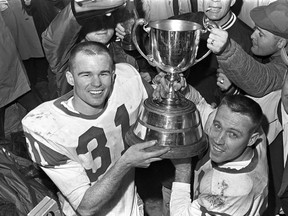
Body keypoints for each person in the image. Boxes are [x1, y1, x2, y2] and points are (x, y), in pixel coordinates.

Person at [21, 41, 189, 216]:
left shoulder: (127, 80)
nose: (96, 83)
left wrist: (166, 92)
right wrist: (125, 162)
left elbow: (154, 102)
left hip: (131, 206)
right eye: (86, 75)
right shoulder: (45, 126)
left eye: (103, 74)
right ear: (70, 78)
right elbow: (85, 207)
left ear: (114, 75)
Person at [116, 0, 253, 105]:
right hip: (172, 100)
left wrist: (231, 89)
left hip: (209, 112)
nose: (214, 1)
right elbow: (149, 53)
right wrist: (129, 35)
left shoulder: (247, 38)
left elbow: (251, 98)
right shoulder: (183, 22)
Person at [170, 93, 268, 216]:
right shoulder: (254, 132)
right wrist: (180, 95)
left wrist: (182, 169)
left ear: (251, 139)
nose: (218, 139)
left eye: (232, 134)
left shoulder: (228, 191)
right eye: (217, 126)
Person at [42, 0, 155, 98]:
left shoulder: (121, 50)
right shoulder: (66, 55)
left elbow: (147, 70)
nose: (102, 26)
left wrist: (146, 77)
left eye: (107, 19)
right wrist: (80, 6)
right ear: (81, 25)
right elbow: (52, 39)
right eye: (94, 21)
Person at [208, 0, 288, 97]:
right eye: (255, 29)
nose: (252, 36)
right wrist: (232, 89)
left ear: (281, 42)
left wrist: (227, 50)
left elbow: (263, 81)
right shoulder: (272, 54)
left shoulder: (285, 67)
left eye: (260, 34)